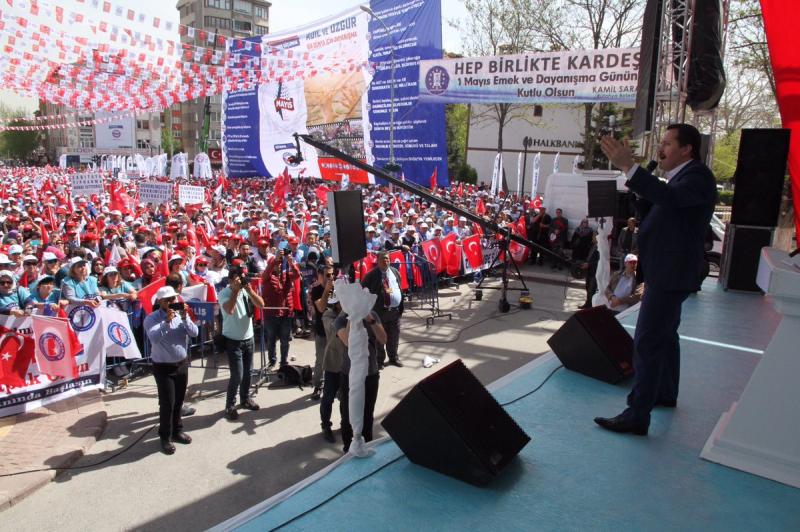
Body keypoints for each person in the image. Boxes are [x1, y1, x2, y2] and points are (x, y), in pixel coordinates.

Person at [596, 123, 716, 435]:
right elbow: (661, 206)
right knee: (666, 335)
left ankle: (636, 415)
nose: (660, 149)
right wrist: (639, 188)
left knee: (648, 341)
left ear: (686, 149)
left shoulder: (698, 177)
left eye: (667, 143)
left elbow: (670, 199)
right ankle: (664, 391)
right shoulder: (681, 179)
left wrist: (629, 167)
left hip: (670, 271)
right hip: (666, 270)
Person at [144, 286, 199, 455]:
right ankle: (165, 436)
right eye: (168, 300)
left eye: (174, 299)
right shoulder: (152, 318)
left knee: (179, 401)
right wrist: (166, 322)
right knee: (167, 402)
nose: (172, 302)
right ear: (160, 301)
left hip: (181, 364)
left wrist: (185, 318)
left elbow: (194, 333)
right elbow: (154, 338)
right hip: (163, 367)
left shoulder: (181, 315)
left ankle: (177, 430)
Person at [335, 304, 387, 453]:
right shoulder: (341, 319)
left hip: (371, 374)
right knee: (347, 415)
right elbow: (347, 341)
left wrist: (370, 319)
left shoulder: (372, 315)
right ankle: (348, 450)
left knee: (367, 414)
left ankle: (367, 445)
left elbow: (383, 339)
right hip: (349, 375)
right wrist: (352, 317)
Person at [219, 262, 265, 420]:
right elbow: (230, 310)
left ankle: (245, 399)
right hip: (233, 340)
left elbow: (261, 304)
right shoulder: (224, 293)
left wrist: (250, 290)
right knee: (237, 375)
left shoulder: (246, 290)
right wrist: (235, 291)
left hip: (248, 338)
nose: (240, 281)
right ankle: (230, 405)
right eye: (237, 279)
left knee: (248, 373)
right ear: (230, 280)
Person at [361, 250, 404, 368]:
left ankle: (393, 358)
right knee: (379, 338)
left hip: (394, 312)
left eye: (387, 258)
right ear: (377, 261)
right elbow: (362, 292)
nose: (385, 260)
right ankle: (379, 361)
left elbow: (398, 287)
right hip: (379, 313)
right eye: (382, 258)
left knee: (394, 336)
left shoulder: (395, 272)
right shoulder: (370, 275)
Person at [261, 249, 300, 369]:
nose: (278, 265)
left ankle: (283, 362)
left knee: (285, 340)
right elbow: (265, 274)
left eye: (280, 263)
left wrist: (291, 262)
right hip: (271, 313)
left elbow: (297, 275)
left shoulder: (286, 275)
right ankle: (272, 361)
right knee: (271, 340)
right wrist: (275, 259)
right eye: (276, 263)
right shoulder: (267, 277)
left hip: (286, 313)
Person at [309, 263, 334, 400]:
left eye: (332, 275)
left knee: (337, 359)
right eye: (327, 275)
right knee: (320, 360)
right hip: (322, 331)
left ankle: (335, 385)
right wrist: (327, 290)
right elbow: (321, 307)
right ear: (320, 276)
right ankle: (318, 385)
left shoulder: (337, 288)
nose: (331, 278)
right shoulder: (316, 290)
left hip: (336, 332)